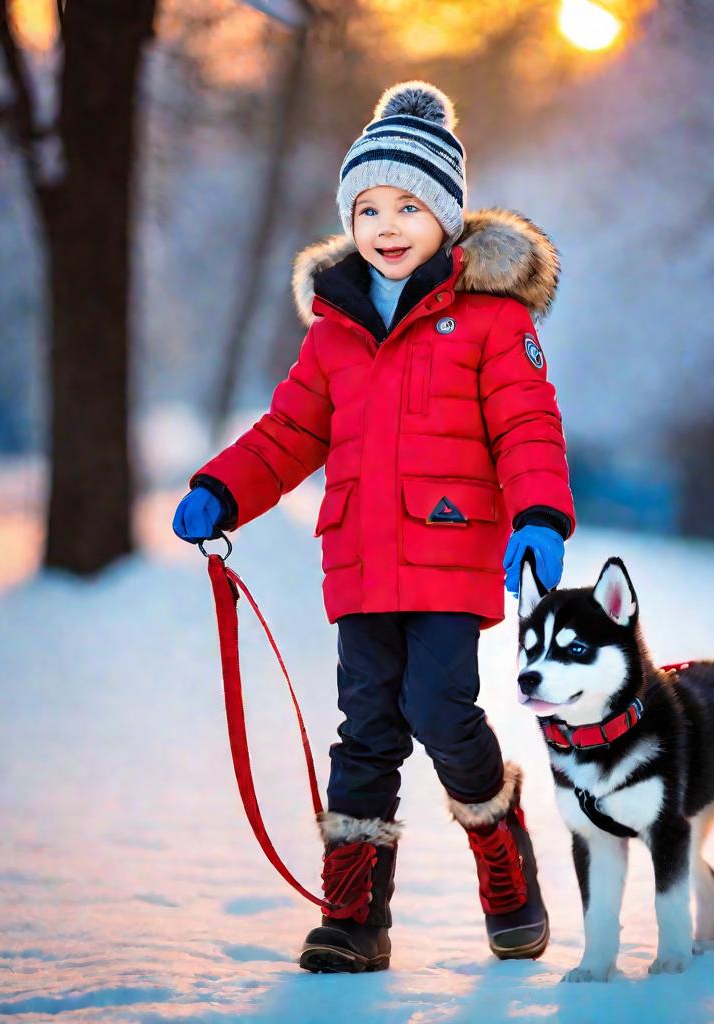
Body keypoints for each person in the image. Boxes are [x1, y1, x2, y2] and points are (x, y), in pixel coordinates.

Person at [173, 81, 577, 974]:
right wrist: (223, 489)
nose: (385, 224)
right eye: (366, 207)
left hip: (447, 553)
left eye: (406, 205)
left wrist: (541, 512)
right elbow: (288, 434)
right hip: (359, 561)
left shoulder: (493, 321)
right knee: (365, 729)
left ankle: (500, 850)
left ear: (446, 217)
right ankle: (355, 916)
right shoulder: (335, 332)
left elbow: (527, 426)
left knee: (440, 710)